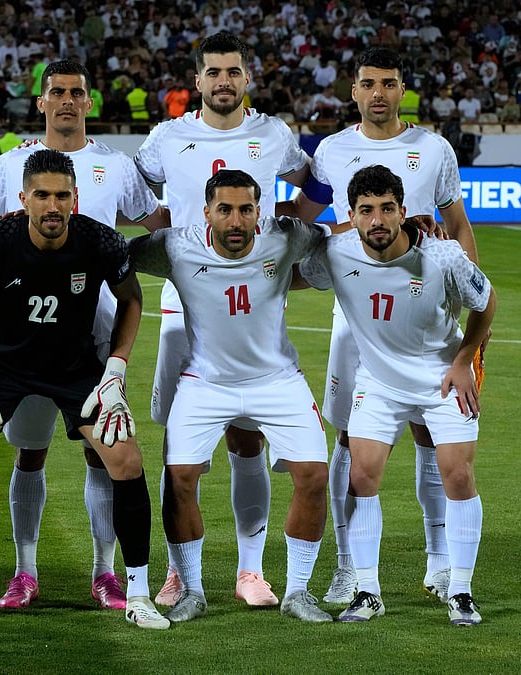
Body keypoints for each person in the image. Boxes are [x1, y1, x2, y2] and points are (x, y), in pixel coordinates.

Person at [0, 149, 169, 632]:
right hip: (1, 366)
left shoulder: (101, 241)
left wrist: (114, 371)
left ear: (75, 198)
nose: (52, 206)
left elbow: (131, 299)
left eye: (61, 196)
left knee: (126, 460)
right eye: (42, 196)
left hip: (75, 367)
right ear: (23, 198)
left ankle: (138, 593)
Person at [0, 59, 167, 612]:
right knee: (30, 454)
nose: (67, 100)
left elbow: (154, 229)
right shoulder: (8, 165)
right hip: (19, 337)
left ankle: (106, 572)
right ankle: (25, 571)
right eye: (57, 92)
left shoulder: (116, 166)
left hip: (91, 338)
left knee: (104, 456)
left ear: (89, 102)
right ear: (42, 101)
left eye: (77, 91)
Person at [133, 30, 315, 609]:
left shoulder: (273, 134)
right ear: (198, 80)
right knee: (179, 448)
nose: (223, 81)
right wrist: (174, 244)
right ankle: (176, 571)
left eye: (233, 71)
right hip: (182, 302)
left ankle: (251, 571)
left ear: (247, 78)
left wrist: (280, 234)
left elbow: (314, 187)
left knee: (248, 439)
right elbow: (140, 201)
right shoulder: (167, 137)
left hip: (254, 303)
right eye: (213, 72)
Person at [294, 46, 481, 606]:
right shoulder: (331, 151)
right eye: (368, 83)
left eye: (389, 83)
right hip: (354, 318)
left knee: (431, 435)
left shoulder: (433, 148)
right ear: (353, 90)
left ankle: (440, 562)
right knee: (350, 442)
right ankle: (350, 568)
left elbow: (459, 227)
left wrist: (465, 293)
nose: (378, 93)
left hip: (425, 316)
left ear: (403, 90)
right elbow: (301, 220)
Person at [129, 169, 333, 624]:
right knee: (179, 477)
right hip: (205, 382)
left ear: (260, 212)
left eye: (246, 210)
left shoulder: (284, 238)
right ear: (207, 213)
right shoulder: (176, 246)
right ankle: (192, 590)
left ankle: (299, 591)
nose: (236, 220)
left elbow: (336, 239)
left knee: (314, 476)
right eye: (225, 209)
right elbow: (115, 256)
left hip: (277, 380)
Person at [300, 164, 495, 626]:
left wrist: (465, 360)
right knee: (361, 476)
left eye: (387, 209)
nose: (377, 221)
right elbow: (290, 273)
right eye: (366, 211)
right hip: (379, 383)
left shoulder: (444, 257)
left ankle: (462, 590)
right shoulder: (336, 253)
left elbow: (486, 303)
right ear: (351, 215)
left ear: (403, 211)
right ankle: (367, 591)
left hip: (441, 379)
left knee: (458, 477)